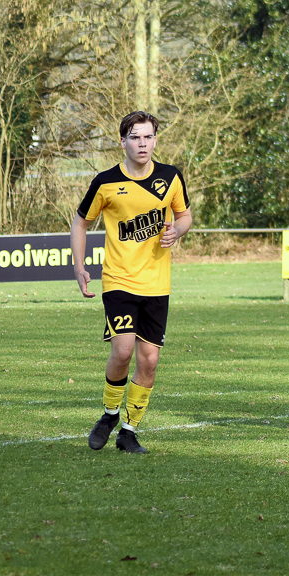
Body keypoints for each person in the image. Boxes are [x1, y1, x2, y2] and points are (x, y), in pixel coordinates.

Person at [72, 111, 193, 455]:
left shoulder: (170, 177)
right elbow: (80, 223)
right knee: (123, 350)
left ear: (155, 140)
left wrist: (176, 231)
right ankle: (109, 414)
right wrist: (79, 266)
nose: (142, 143)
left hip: (157, 284)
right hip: (119, 279)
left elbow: (185, 216)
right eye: (135, 137)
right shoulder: (106, 182)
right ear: (123, 141)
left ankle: (128, 432)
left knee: (149, 361)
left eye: (148, 137)